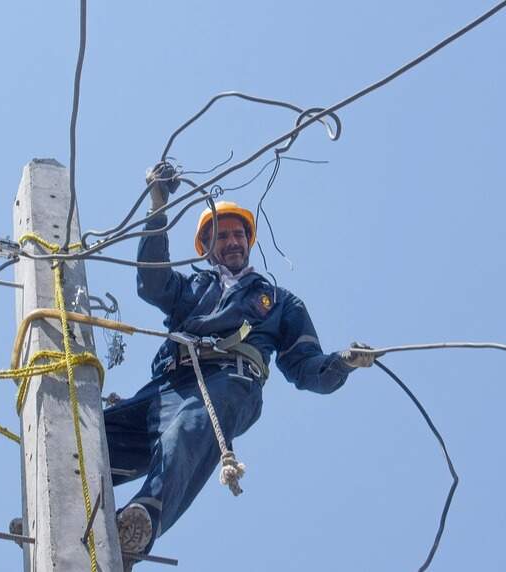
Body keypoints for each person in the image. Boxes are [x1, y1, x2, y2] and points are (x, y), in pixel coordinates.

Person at [105, 163, 375, 565]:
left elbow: (306, 368)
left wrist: (343, 363)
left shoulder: (279, 302)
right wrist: (158, 204)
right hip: (168, 386)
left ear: (248, 240)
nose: (232, 242)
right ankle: (65, 504)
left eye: (238, 234)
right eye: (222, 235)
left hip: (230, 384)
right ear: (206, 245)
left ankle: (141, 520)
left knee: (188, 431)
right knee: (96, 436)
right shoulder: (193, 287)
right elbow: (152, 283)